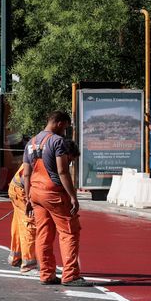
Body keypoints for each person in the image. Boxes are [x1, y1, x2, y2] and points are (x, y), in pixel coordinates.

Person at [24, 111, 89, 286]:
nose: (65, 131)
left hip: (36, 192)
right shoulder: (57, 141)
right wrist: (73, 196)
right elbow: (62, 171)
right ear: (60, 123)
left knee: (43, 234)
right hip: (53, 193)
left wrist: (28, 197)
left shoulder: (31, 143)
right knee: (69, 232)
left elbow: (26, 174)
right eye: (66, 127)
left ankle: (46, 274)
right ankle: (71, 275)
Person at [7, 163, 38, 274]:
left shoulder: (38, 148)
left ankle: (16, 257)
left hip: (16, 187)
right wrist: (29, 199)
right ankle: (28, 265)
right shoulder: (45, 155)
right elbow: (26, 176)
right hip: (21, 190)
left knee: (18, 223)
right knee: (29, 224)